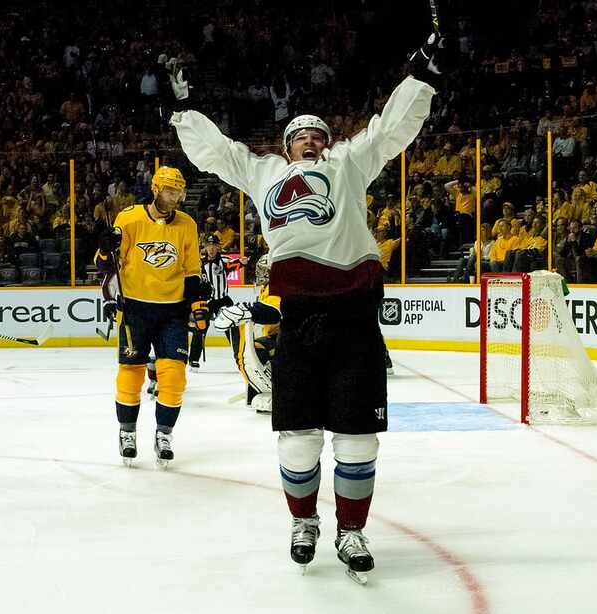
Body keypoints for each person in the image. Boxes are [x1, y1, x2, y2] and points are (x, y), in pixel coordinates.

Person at [171, 31, 444, 582]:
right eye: (303, 137)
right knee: (297, 438)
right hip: (298, 315)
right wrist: (183, 111)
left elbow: (391, 129)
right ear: (287, 144)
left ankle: (350, 530)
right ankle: (304, 522)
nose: (313, 142)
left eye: (320, 135)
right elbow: (216, 150)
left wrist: (422, 76)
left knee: (358, 437)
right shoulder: (263, 170)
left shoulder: (349, 162)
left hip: (353, 314)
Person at [94, 166, 207, 468]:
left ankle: (164, 434)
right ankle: (127, 432)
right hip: (135, 309)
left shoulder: (187, 224)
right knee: (131, 374)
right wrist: (106, 249)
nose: (176, 197)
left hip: (173, 310)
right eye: (171, 191)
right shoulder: (128, 217)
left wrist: (196, 305)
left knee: (174, 376)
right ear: (156, 189)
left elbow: (192, 270)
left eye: (179, 192)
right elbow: (106, 266)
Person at [212, 254, 281, 413]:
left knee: (259, 349)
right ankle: (261, 386)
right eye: (261, 271)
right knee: (254, 345)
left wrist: (248, 311)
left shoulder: (279, 288)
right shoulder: (267, 288)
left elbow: (273, 312)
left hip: (292, 340)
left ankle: (278, 385)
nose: (262, 275)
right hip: (280, 337)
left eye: (266, 271)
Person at [188, 235, 248, 371]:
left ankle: (239, 357)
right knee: (200, 327)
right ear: (205, 247)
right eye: (209, 245)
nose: (211, 248)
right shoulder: (199, 264)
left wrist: (243, 262)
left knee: (232, 327)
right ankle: (193, 360)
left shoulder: (224, 261)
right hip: (206, 302)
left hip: (223, 299)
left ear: (218, 247)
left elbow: (236, 264)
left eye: (214, 245)